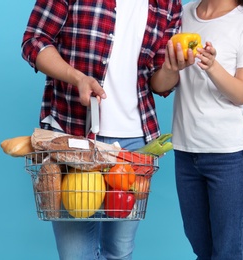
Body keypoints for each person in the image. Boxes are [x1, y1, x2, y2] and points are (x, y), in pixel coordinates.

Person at [21, 0, 193, 259]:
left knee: (119, 251)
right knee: (75, 255)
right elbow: (34, 40)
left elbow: (159, 84)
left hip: (134, 144)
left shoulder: (168, 4)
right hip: (74, 135)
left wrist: (170, 69)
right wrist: (76, 77)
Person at [171, 0, 243, 259]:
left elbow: (241, 93)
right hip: (185, 154)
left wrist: (212, 66)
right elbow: (164, 80)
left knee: (228, 253)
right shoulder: (183, 13)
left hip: (231, 158)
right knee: (202, 249)